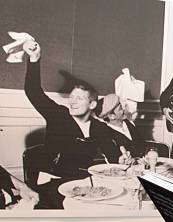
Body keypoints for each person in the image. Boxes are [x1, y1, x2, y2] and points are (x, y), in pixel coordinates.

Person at [22, 41, 120, 179]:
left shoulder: (100, 128)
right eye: (72, 97)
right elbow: (33, 92)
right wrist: (34, 59)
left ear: (92, 105)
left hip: (84, 181)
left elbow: (113, 156)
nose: (72, 102)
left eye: (79, 98)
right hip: (52, 180)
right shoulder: (58, 115)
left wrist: (122, 160)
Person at [98, 93, 148, 159]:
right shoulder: (106, 134)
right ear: (112, 116)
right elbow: (113, 159)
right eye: (120, 108)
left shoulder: (128, 123)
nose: (124, 109)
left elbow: (142, 144)